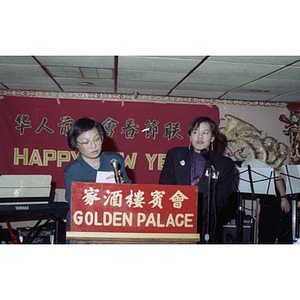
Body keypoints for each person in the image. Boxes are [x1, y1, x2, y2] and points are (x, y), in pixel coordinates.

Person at [159, 116, 235, 243]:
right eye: (195, 132)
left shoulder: (224, 164)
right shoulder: (174, 155)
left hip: (204, 223)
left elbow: (220, 198)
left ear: (212, 138)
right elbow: (164, 187)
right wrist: (180, 213)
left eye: (205, 133)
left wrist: (196, 214)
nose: (199, 137)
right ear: (190, 136)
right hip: (174, 219)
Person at [64, 117, 132, 230]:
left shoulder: (114, 161)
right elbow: (76, 204)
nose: (93, 145)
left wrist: (122, 187)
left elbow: (131, 197)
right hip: (83, 226)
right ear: (76, 144)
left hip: (113, 222)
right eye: (86, 142)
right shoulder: (73, 170)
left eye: (97, 139)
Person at [241, 159, 292, 244]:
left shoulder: (251, 163)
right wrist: (258, 213)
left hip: (277, 198)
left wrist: (284, 198)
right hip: (265, 202)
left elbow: (277, 177)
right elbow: (259, 190)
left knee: (283, 237)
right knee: (264, 239)